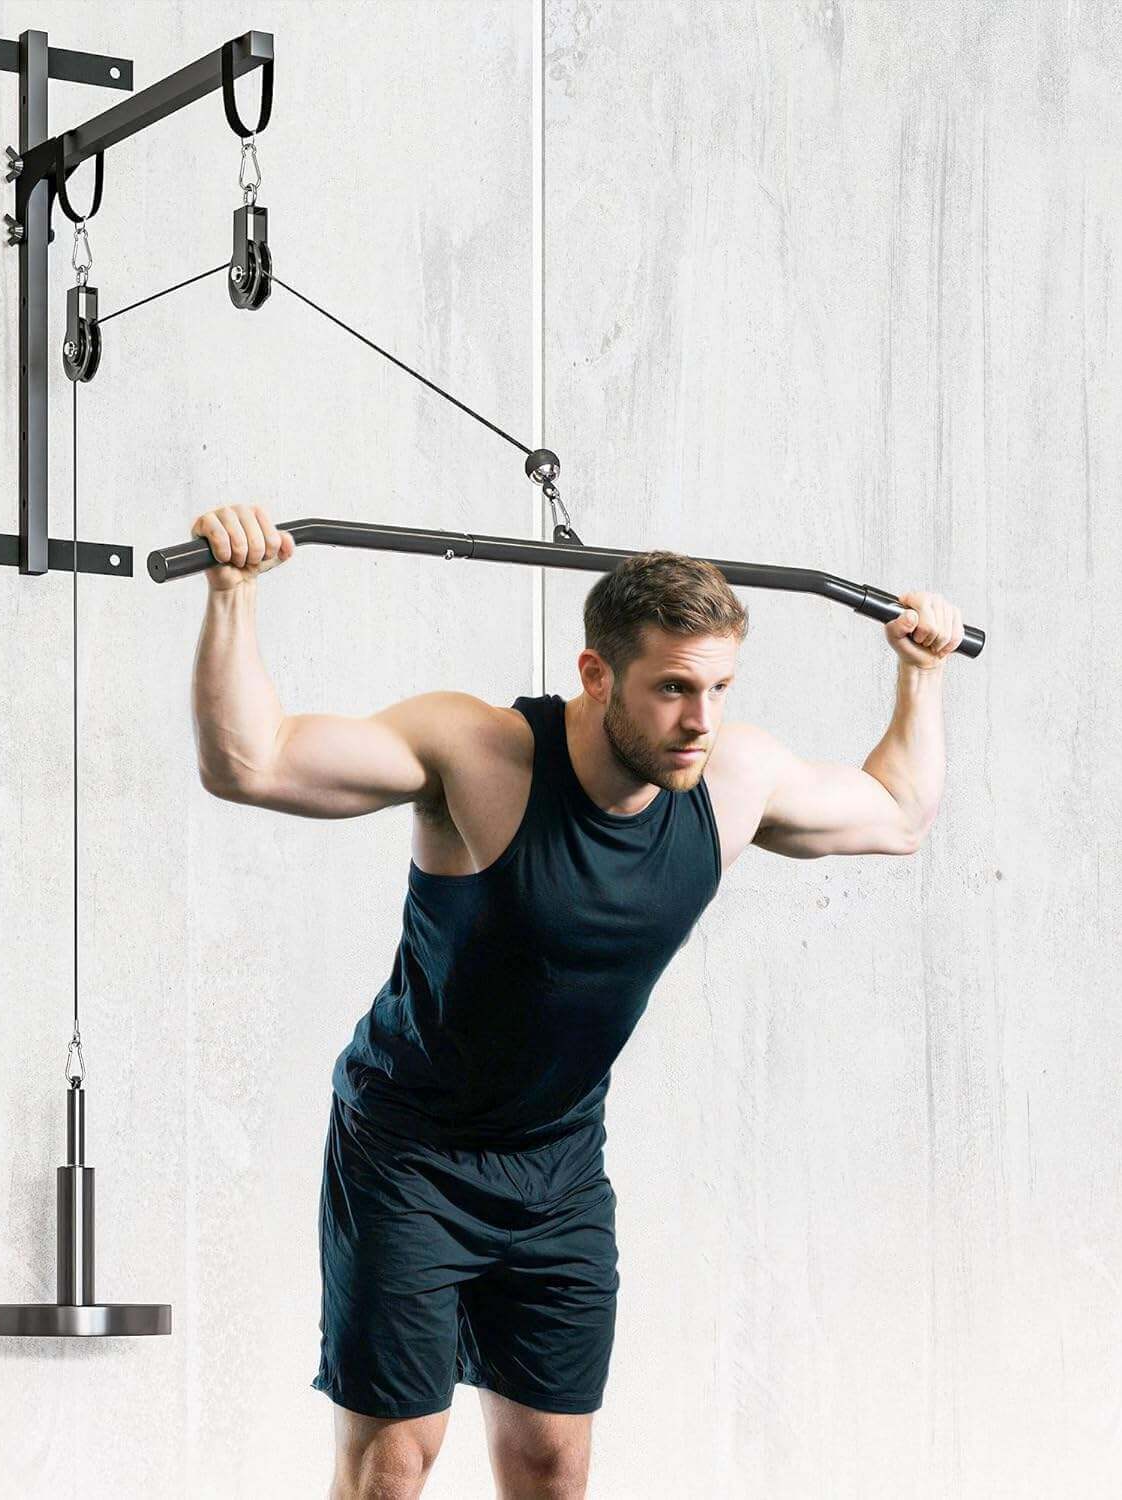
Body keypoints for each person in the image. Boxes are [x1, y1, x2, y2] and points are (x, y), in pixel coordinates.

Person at [188, 502, 964, 1500]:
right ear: (597, 675)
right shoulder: (479, 753)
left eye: (720, 687)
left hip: (556, 1166)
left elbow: (898, 815)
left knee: (554, 1467)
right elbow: (251, 762)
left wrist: (922, 673)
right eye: (674, 688)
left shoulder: (732, 778)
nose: (701, 718)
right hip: (409, 1153)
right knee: (393, 1460)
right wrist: (233, 592)